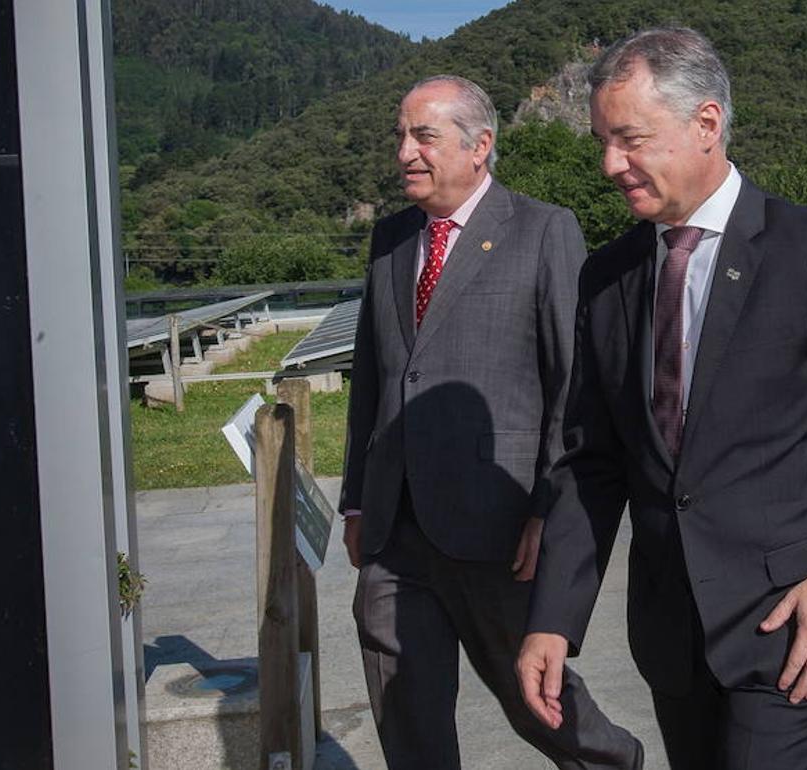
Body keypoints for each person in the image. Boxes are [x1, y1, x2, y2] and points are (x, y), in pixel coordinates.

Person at [515, 28, 807, 770]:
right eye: (602, 142)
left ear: (706, 124)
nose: (611, 164)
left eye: (631, 139)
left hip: (790, 626)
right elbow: (592, 461)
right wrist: (553, 619)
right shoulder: (607, 277)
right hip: (672, 633)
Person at [339, 75, 642, 769]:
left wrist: (549, 507)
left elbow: (575, 384)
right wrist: (357, 499)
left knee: (533, 696)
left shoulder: (543, 230)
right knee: (403, 706)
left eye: (424, 136)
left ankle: (611, 762)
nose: (405, 153)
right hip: (395, 530)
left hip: (500, 527)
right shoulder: (390, 241)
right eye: (401, 135)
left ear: (480, 147)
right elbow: (375, 380)